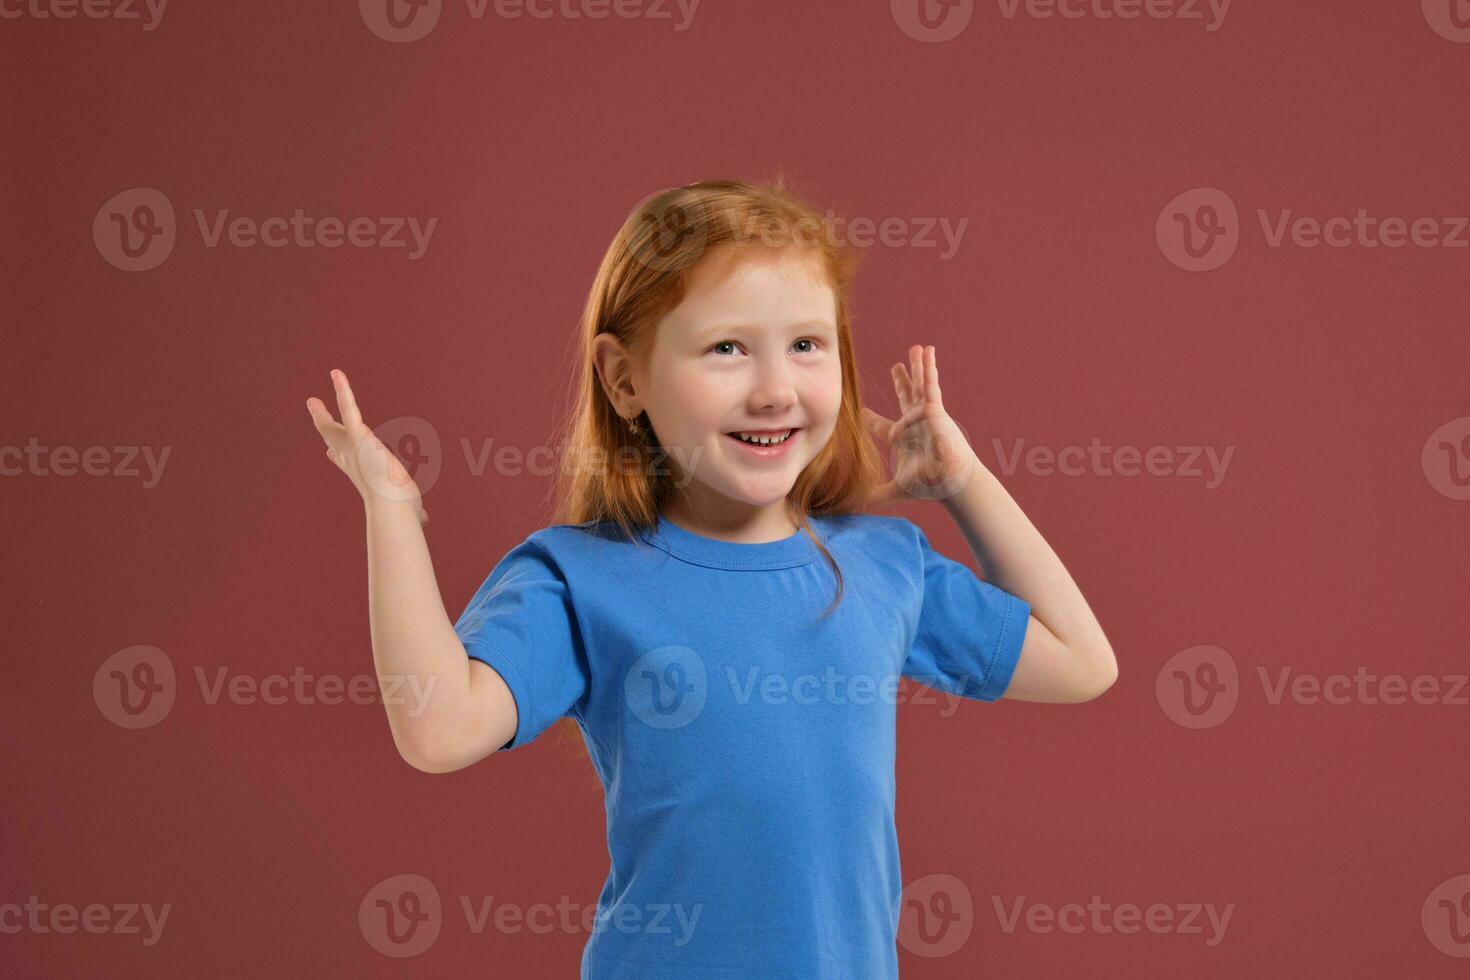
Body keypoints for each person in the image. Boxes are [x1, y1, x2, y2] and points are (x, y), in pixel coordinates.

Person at [306, 177, 1118, 977]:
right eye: (727, 348)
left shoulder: (882, 564)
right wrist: (390, 509)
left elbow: (1083, 662)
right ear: (624, 380)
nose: (773, 390)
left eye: (806, 344)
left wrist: (962, 485)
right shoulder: (581, 575)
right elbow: (437, 729)